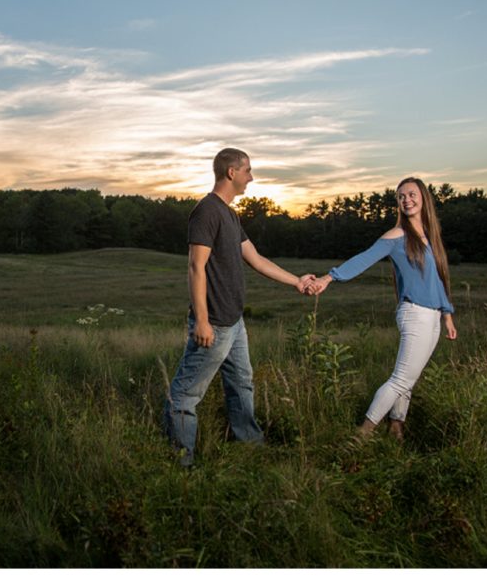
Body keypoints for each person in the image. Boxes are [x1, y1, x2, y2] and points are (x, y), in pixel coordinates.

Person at [163, 148, 316, 466]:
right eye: (247, 170)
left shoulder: (230, 214)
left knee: (241, 384)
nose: (251, 176)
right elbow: (196, 267)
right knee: (184, 396)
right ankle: (181, 463)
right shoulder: (206, 211)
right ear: (231, 172)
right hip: (215, 323)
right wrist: (202, 320)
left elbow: (256, 259)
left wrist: (297, 282)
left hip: (234, 323)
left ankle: (249, 447)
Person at [307, 177, 457, 442]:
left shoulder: (428, 236)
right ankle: (362, 435)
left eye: (411, 194)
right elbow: (362, 259)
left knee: (409, 377)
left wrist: (447, 316)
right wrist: (329, 277)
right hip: (415, 313)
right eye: (401, 197)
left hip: (432, 316)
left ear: (423, 197)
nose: (406, 200)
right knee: (401, 378)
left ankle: (396, 428)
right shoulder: (396, 236)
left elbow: (438, 279)